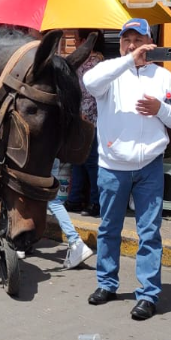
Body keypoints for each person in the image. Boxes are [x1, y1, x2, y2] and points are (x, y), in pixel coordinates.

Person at [83, 18, 171, 320]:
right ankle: (106, 283)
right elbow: (89, 83)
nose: (132, 45)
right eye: (126, 40)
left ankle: (148, 294)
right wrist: (128, 61)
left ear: (150, 42)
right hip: (112, 165)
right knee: (108, 228)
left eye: (138, 40)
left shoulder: (164, 77)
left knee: (149, 232)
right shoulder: (111, 74)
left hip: (149, 166)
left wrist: (162, 110)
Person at [65, 29, 104, 216]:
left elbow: (87, 90)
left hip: (91, 118)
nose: (74, 44)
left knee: (90, 162)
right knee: (78, 160)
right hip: (80, 116)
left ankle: (96, 202)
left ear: (84, 41)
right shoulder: (88, 61)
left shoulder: (94, 62)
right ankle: (75, 199)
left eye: (75, 40)